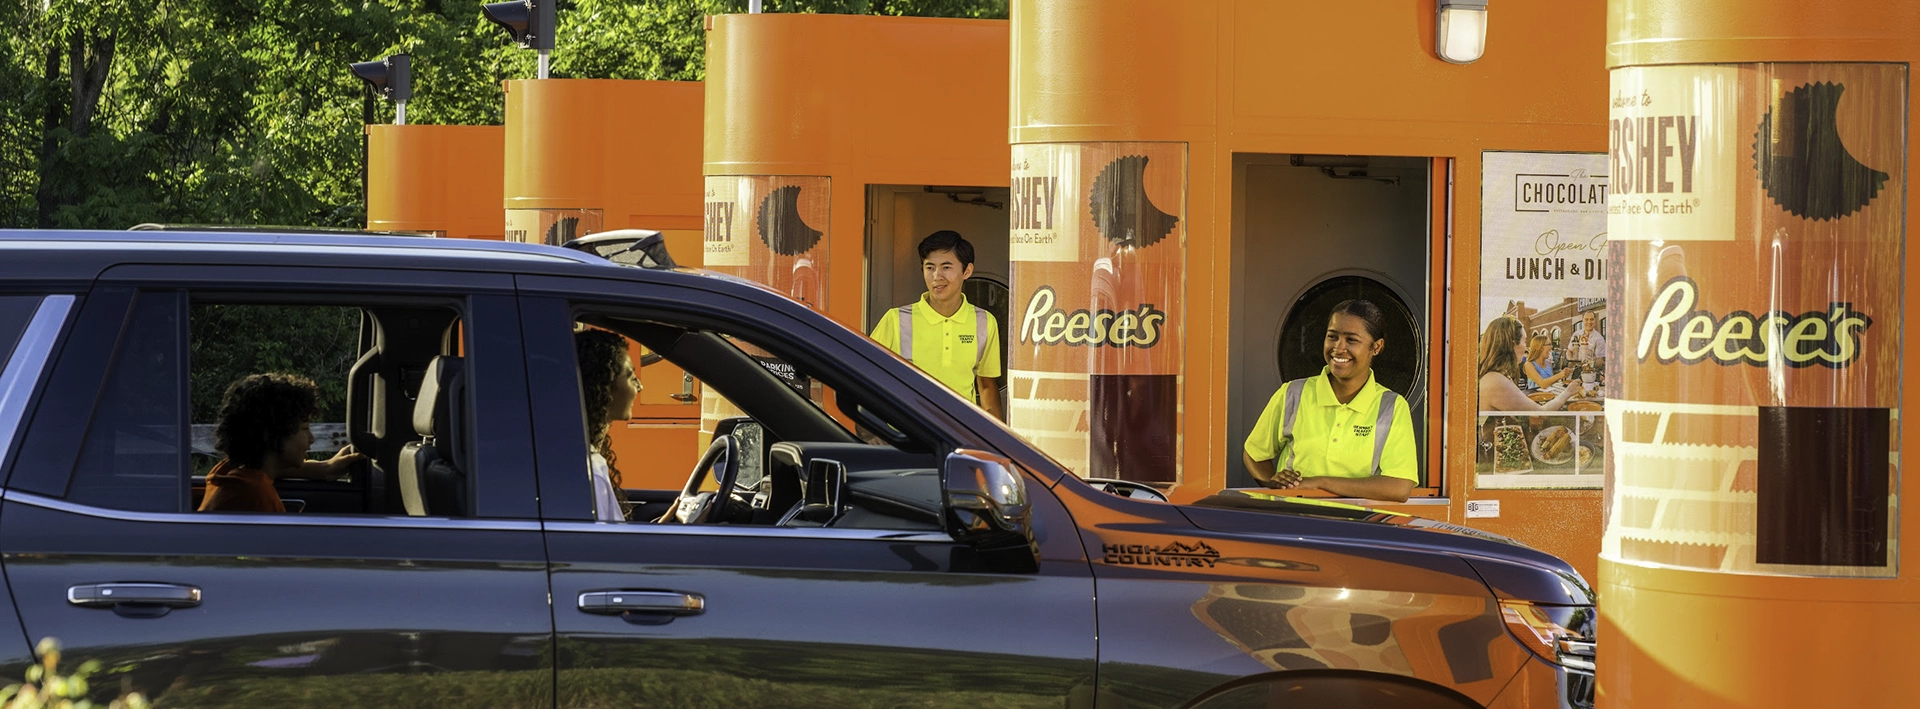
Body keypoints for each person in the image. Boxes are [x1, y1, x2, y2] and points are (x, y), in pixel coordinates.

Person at [1242, 300, 1418, 503]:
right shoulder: (1293, 394)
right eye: (1332, 337)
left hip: (1354, 528)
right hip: (1293, 524)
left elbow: (1399, 487)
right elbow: (1254, 453)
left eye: (1351, 340)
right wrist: (1273, 485)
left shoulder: (1391, 406)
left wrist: (1320, 482)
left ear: (1376, 347)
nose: (1338, 348)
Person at [870, 230, 1004, 420]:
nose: (936, 276)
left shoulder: (984, 321)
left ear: (967, 271)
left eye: (946, 267)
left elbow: (986, 384)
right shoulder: (895, 319)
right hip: (907, 433)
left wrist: (997, 439)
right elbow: (870, 374)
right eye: (930, 267)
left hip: (959, 433)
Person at [200, 373, 365, 513]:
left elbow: (277, 469)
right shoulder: (257, 496)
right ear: (273, 435)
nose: (311, 438)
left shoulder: (229, 473)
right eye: (304, 428)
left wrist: (325, 468)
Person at [576, 328, 642, 522]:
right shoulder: (590, 472)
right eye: (631, 377)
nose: (639, 386)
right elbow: (610, 550)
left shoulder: (583, 458)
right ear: (603, 384)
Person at [1479, 316, 1581, 412]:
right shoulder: (1496, 382)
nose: (1526, 347)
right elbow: (1540, 413)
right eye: (1524, 341)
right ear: (1512, 344)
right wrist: (1568, 392)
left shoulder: (1497, 375)